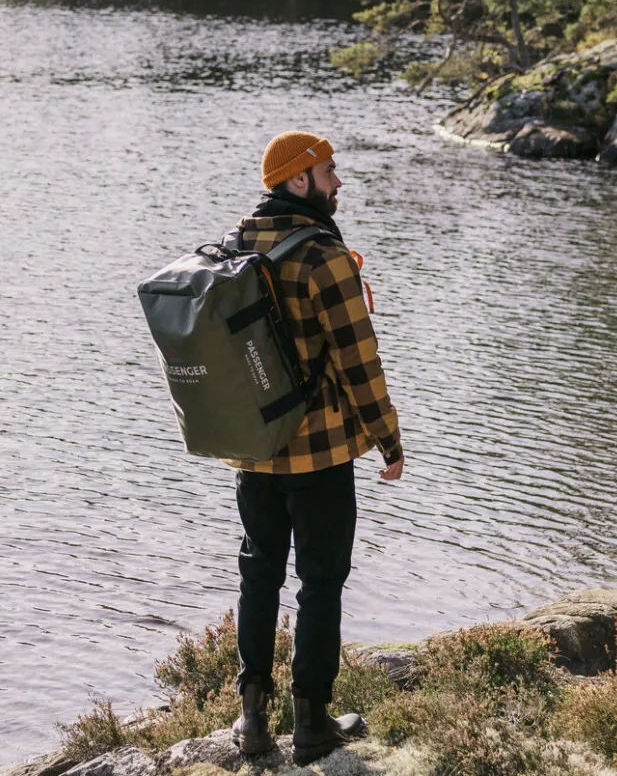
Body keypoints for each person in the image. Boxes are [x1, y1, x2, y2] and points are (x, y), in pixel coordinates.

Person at [228, 130, 404, 764]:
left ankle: (252, 720)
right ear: (298, 180)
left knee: (259, 573)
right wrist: (388, 440)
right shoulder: (323, 256)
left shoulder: (237, 245)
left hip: (252, 449)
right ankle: (311, 724)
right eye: (329, 171)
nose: (338, 182)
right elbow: (359, 361)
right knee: (321, 582)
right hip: (320, 452)